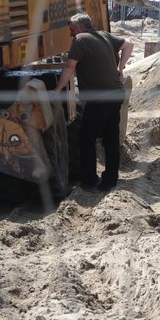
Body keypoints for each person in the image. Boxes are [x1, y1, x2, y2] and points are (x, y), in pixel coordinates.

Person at [54, 13, 134, 192]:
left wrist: (58, 90)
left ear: (80, 28)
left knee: (86, 138)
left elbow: (69, 67)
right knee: (111, 138)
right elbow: (129, 44)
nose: (70, 34)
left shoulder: (80, 40)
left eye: (72, 30)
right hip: (115, 95)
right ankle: (110, 181)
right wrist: (120, 68)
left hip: (98, 99)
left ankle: (89, 181)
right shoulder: (104, 35)